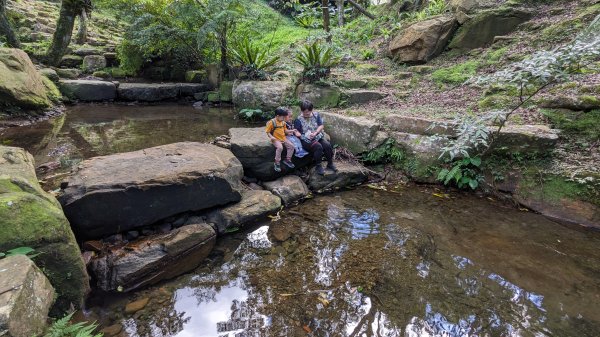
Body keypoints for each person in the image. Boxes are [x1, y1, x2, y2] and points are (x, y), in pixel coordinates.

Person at [293, 100, 337, 175]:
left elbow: (321, 125)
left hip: (317, 136)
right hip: (306, 140)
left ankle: (330, 163)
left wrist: (316, 132)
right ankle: (318, 166)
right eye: (304, 112)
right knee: (318, 146)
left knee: (327, 145)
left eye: (308, 111)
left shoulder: (316, 115)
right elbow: (296, 131)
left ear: (312, 109)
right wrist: (298, 134)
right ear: (301, 110)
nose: (306, 113)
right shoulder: (298, 119)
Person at [266, 107, 296, 172]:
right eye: (283, 117)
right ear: (277, 116)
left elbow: (285, 130)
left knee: (291, 146)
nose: (284, 118)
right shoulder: (272, 122)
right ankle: (277, 162)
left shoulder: (283, 122)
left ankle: (287, 160)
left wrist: (291, 131)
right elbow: (268, 132)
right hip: (276, 139)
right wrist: (271, 137)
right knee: (280, 148)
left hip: (283, 138)